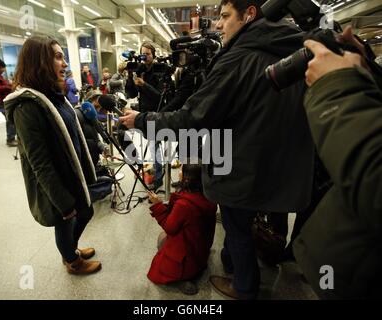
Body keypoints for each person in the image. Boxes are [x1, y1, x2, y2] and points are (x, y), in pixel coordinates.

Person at [121, 0, 314, 299]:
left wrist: (142, 120)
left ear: (249, 14)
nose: (220, 24)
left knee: (237, 228)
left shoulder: (237, 58)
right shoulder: (295, 51)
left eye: (225, 16)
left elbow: (191, 118)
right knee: (246, 225)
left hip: (240, 166)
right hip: (277, 168)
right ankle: (235, 263)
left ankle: (243, 286)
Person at [293, 34, 382, 299]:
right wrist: (367, 71)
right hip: (349, 259)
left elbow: (375, 185)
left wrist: (337, 88)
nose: (218, 23)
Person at [4, 36, 101, 275]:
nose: (65, 63)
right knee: (65, 220)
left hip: (71, 174)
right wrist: (62, 201)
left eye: (63, 56)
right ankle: (71, 260)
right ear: (40, 61)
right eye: (58, 57)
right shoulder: (27, 106)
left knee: (86, 211)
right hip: (56, 182)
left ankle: (71, 249)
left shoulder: (53, 97)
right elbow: (40, 163)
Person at [147, 161, 217, 295]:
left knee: (161, 239)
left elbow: (170, 227)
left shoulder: (184, 205)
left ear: (187, 178)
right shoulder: (209, 195)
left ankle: (182, 278)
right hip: (200, 250)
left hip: (188, 257)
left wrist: (157, 205)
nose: (179, 171)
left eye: (181, 169)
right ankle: (194, 270)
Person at [125, 42, 164, 190]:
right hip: (143, 114)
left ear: (153, 55)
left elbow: (160, 96)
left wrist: (144, 85)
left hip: (157, 113)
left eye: (148, 53)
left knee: (155, 146)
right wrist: (130, 76)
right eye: (143, 53)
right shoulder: (140, 70)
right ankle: (156, 169)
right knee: (152, 146)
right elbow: (131, 93)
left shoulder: (159, 71)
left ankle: (159, 177)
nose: (145, 56)